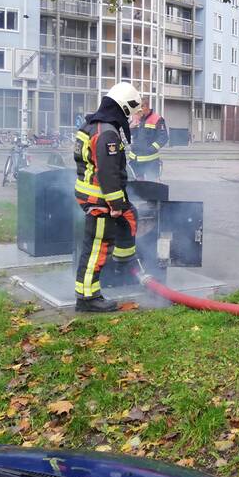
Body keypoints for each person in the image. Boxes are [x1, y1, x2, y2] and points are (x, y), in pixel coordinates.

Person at [73, 82, 146, 313]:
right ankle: (87, 298)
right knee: (96, 247)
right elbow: (107, 171)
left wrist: (121, 205)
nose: (133, 118)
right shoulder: (107, 134)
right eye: (132, 112)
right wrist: (115, 204)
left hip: (96, 194)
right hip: (100, 201)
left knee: (130, 216)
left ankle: (125, 262)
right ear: (125, 107)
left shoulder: (94, 125)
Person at [128, 99, 169, 180]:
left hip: (151, 161)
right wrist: (130, 127)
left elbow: (164, 137)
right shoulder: (137, 118)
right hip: (135, 160)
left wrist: (151, 149)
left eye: (139, 108)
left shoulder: (157, 119)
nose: (136, 112)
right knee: (136, 186)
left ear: (146, 107)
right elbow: (132, 135)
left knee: (152, 184)